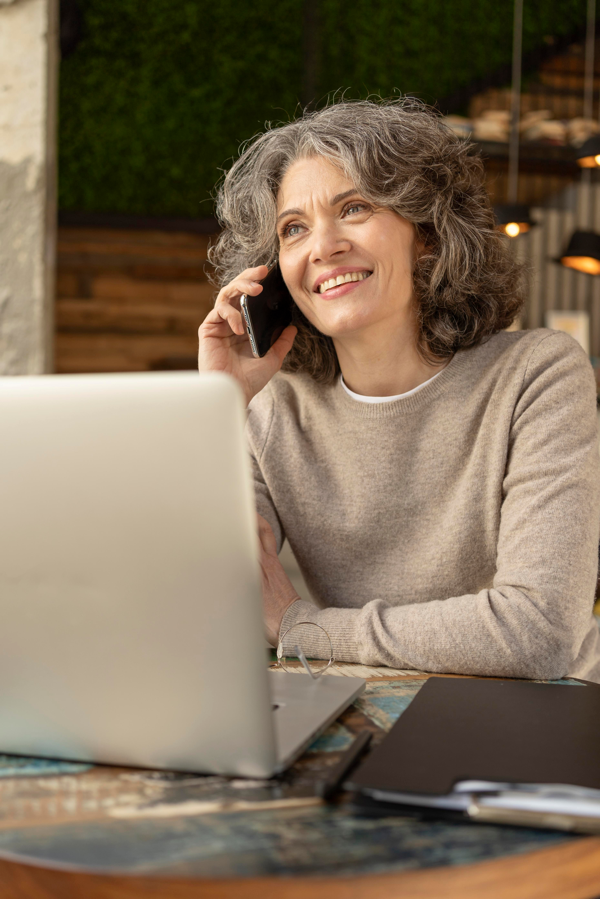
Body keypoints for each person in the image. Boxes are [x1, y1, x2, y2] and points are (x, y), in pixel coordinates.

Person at [198, 98, 600, 682]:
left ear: (428, 236)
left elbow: (537, 633)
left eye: (354, 207)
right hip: (371, 710)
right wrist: (219, 408)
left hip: (545, 721)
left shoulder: (536, 374)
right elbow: (208, 587)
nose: (322, 246)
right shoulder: (276, 408)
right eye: (293, 229)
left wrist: (303, 628)